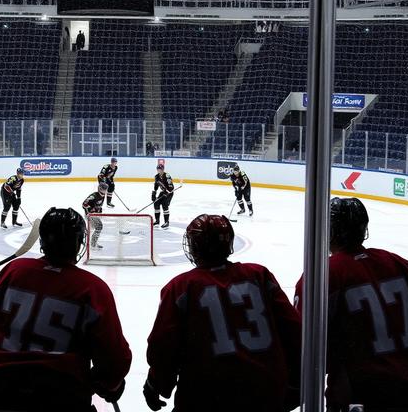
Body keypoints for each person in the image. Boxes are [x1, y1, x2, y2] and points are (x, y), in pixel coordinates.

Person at [294, 198, 408, 411]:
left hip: (365, 399)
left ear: (328, 232)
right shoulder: (395, 262)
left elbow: (303, 350)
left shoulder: (321, 276)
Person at [0, 207, 132, 412]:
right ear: (78, 242)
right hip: (63, 399)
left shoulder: (14, 271)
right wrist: (110, 383)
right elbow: (115, 360)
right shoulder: (92, 288)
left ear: (43, 240)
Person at [144, 214, 302, 412]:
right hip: (264, 392)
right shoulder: (259, 275)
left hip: (206, 397)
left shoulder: (181, 288)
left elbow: (163, 346)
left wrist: (156, 383)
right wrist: (295, 381)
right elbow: (294, 330)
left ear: (195, 246)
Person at [83, 182, 109, 250]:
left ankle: (92, 243)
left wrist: (99, 210)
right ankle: (92, 245)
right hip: (90, 215)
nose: (106, 190)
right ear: (100, 189)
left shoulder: (102, 195)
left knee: (92, 229)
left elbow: (98, 205)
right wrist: (91, 210)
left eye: (106, 189)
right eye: (104, 189)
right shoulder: (94, 196)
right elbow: (84, 204)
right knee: (99, 227)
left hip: (95, 214)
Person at [152, 163, 174, 229]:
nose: (159, 170)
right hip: (163, 192)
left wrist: (167, 193)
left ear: (163, 169)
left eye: (160, 169)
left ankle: (166, 222)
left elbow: (171, 187)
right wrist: (154, 193)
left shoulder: (167, 176)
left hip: (169, 193)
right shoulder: (156, 176)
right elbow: (156, 186)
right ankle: (157, 221)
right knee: (156, 203)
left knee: (165, 205)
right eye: (158, 169)